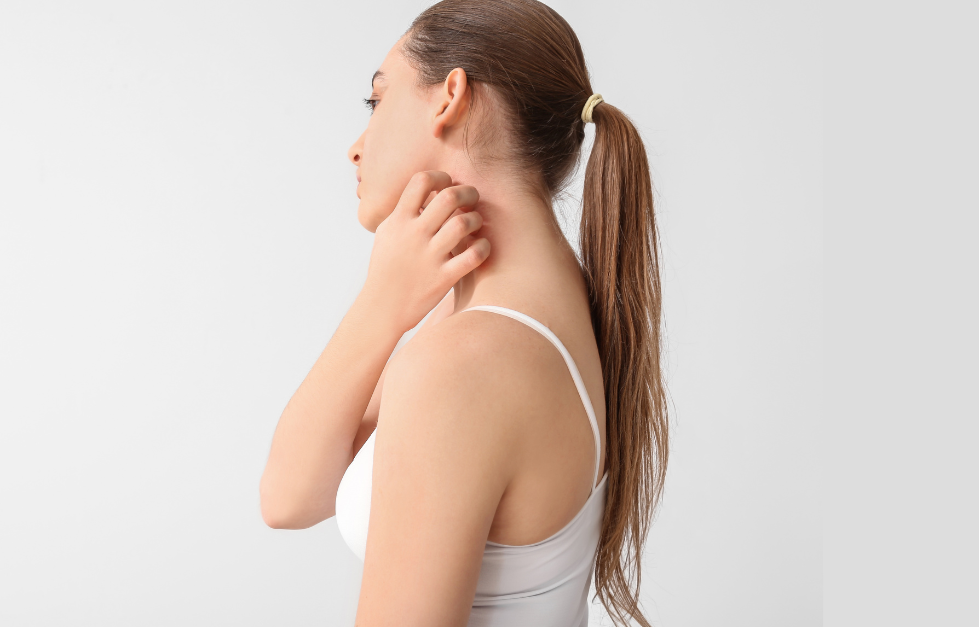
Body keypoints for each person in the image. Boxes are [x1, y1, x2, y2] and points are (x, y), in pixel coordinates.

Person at [259, 1, 669, 625]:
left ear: (450, 97)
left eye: (377, 100)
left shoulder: (469, 360)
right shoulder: (531, 309)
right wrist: (381, 306)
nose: (355, 149)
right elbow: (290, 497)